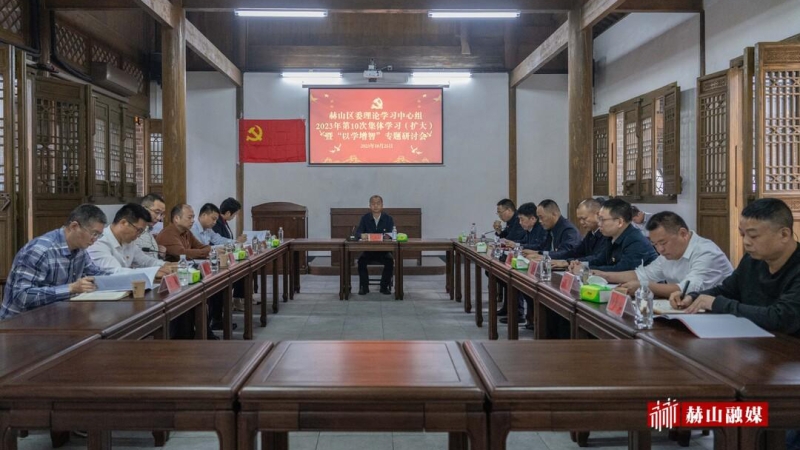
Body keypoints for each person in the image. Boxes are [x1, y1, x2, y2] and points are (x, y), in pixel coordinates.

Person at [670, 198, 800, 336]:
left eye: (753, 236)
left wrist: (717, 304)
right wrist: (693, 297)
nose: (746, 242)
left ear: (784, 234)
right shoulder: (751, 260)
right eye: (742, 235)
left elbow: (781, 318)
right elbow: (727, 290)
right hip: (754, 339)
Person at [0, 204, 112, 319]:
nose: (95, 239)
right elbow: (21, 297)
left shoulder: (80, 250)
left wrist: (121, 279)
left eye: (99, 235)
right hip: (19, 323)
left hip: (53, 318)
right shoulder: (40, 251)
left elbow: (96, 274)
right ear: (74, 226)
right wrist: (70, 288)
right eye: (94, 234)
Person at [593, 211, 732, 297]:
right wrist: (604, 275)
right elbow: (642, 274)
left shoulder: (706, 253)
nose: (660, 250)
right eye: (655, 244)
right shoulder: (667, 254)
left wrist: (644, 286)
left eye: (663, 243)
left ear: (683, 234)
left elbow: (686, 290)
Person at [571, 198, 658, 273]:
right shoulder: (610, 237)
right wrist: (579, 264)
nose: (599, 224)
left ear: (619, 222)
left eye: (602, 220)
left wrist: (585, 269)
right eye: (599, 219)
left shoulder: (635, 241)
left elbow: (621, 270)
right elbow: (600, 260)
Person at [87, 203, 174, 277]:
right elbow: (115, 272)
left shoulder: (128, 241)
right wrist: (153, 272)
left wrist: (166, 265)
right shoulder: (98, 242)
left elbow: (145, 261)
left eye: (142, 232)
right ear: (123, 223)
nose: (139, 235)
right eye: (138, 230)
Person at [499, 202, 543, 326]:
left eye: (522, 219)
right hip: (531, 263)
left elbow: (540, 246)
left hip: (539, 265)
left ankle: (529, 317)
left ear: (533, 219)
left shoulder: (541, 229)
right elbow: (524, 241)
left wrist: (518, 245)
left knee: (522, 283)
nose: (520, 222)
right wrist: (516, 244)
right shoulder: (529, 229)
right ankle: (527, 317)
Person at [547, 198, 610, 269]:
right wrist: (549, 256)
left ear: (598, 215)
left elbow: (598, 258)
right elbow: (576, 252)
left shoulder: (607, 234)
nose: (581, 222)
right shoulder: (591, 234)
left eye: (584, 218)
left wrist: (568, 262)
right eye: (579, 219)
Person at [355, 195, 394, 295]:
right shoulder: (365, 218)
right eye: (373, 204)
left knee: (390, 262)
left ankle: (384, 287)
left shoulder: (388, 219)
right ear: (369, 206)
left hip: (383, 251)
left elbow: (391, 234)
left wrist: (386, 237)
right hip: (369, 251)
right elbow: (358, 233)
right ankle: (364, 287)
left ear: (382, 205)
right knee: (361, 262)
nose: (375, 206)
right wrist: (362, 235)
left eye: (378, 203)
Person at [135, 193, 167, 259]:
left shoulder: (148, 231)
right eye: (157, 212)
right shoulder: (134, 232)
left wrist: (160, 255)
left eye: (161, 214)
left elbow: (151, 260)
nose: (159, 218)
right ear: (144, 209)